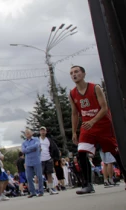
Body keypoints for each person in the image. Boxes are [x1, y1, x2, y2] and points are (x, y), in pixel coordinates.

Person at [69, 65, 126, 194]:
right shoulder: (72, 94)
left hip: (103, 125)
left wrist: (93, 121)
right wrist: (74, 131)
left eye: (76, 71)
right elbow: (74, 113)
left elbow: (104, 108)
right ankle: (88, 184)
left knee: (116, 153)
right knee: (81, 152)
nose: (74, 74)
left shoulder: (95, 88)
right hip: (87, 127)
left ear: (83, 74)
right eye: (71, 73)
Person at [38, 127, 60, 195]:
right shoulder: (37, 140)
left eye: (44, 130)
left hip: (48, 159)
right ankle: (37, 190)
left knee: (49, 174)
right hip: (40, 160)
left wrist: (55, 157)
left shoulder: (49, 140)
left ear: (46, 132)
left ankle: (51, 188)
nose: (42, 132)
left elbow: (54, 149)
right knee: (38, 175)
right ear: (39, 132)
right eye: (41, 130)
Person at [22, 129, 43, 197]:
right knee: (28, 177)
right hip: (28, 162)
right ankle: (32, 192)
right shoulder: (24, 143)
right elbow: (23, 150)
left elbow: (36, 146)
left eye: (28, 132)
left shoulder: (36, 139)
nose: (27, 133)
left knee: (39, 176)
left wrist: (28, 148)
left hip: (36, 160)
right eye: (26, 133)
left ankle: (40, 191)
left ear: (31, 133)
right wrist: (31, 149)